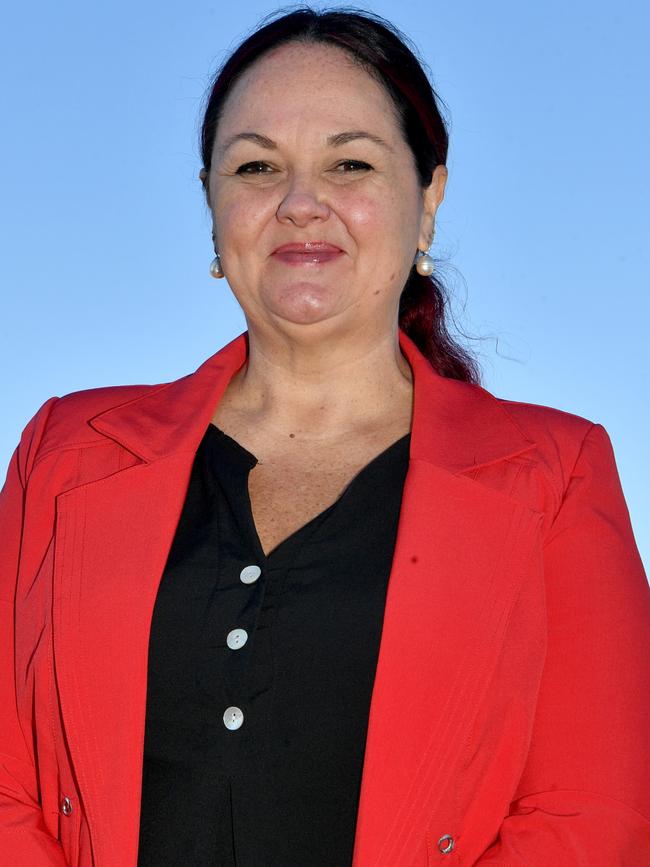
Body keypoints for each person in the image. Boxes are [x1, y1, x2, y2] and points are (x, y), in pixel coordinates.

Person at [1, 7, 649, 866]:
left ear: (428, 200)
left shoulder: (556, 475)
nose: (301, 203)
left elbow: (591, 818)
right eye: (257, 165)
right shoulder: (65, 450)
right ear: (212, 203)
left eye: (350, 163)